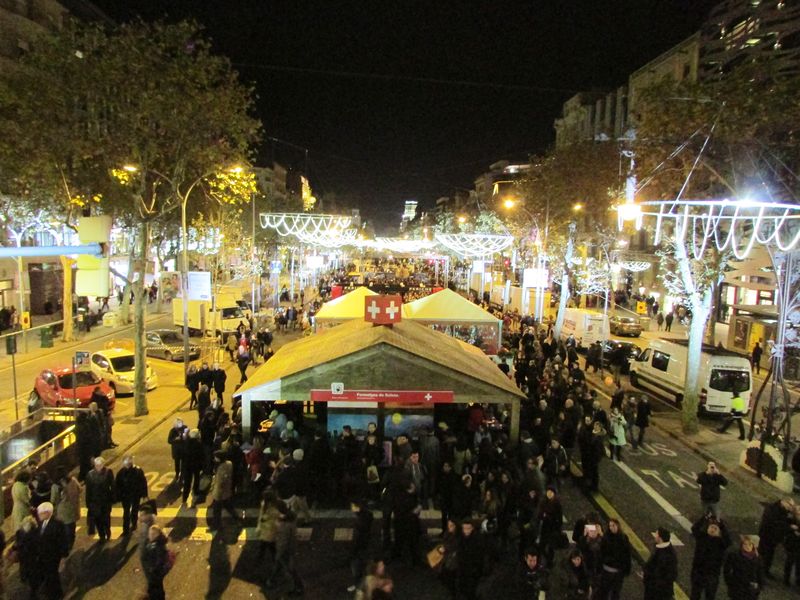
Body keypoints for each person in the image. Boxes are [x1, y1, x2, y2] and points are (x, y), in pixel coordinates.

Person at [690, 513, 731, 600]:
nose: (712, 529)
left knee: (710, 596)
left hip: (712, 575)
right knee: (695, 595)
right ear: (707, 528)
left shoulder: (721, 543)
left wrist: (722, 526)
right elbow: (694, 529)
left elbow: (728, 541)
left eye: (715, 528)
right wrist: (704, 518)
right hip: (698, 572)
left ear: (718, 531)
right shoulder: (702, 537)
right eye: (711, 527)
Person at [266, 504, 304, 596]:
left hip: (286, 551)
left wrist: (278, 553)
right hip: (292, 547)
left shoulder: (283, 525)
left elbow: (282, 542)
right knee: (283, 566)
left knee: (291, 569)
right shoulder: (291, 519)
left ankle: (299, 587)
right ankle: (271, 580)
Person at [35, 501, 69, 600]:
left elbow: (62, 540)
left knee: (53, 576)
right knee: (49, 576)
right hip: (44, 555)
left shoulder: (57, 524)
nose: (39, 515)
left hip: (53, 556)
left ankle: (56, 595)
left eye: (40, 513)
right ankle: (51, 592)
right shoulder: (41, 523)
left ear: (47, 513)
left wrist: (63, 555)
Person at [758, 497, 794, 578]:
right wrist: (789, 527)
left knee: (769, 555)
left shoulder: (781, 509)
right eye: (790, 505)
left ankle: (765, 571)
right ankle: (761, 573)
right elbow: (776, 524)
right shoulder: (773, 509)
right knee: (764, 554)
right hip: (767, 536)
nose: (791, 507)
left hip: (773, 538)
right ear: (784, 502)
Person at [597, 518, 632, 600]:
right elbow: (602, 553)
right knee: (604, 592)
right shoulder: (606, 537)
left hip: (617, 572)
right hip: (608, 570)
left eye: (613, 525)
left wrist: (626, 568)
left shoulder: (623, 538)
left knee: (615, 593)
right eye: (610, 526)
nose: (611, 527)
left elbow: (627, 554)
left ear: (618, 526)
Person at [116, 455, 149, 536]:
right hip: (126, 496)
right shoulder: (121, 473)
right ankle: (126, 529)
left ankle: (134, 524)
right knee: (126, 512)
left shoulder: (138, 471)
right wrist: (117, 496)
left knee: (134, 510)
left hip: (135, 495)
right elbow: (117, 485)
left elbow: (143, 483)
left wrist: (145, 495)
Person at [50, 466, 81, 551]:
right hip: (73, 508)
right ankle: (70, 544)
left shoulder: (56, 486)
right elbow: (80, 489)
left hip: (62, 511)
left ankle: (65, 546)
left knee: (64, 529)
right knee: (71, 528)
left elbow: (53, 500)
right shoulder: (73, 480)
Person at [643, 527, 678, 600]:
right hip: (654, 589)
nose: (655, 535)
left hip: (659, 592)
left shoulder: (668, 555)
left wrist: (651, 579)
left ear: (660, 538)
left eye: (656, 534)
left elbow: (671, 575)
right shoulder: (660, 548)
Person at [348, 498, 374, 593]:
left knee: (357, 568)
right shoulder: (368, 515)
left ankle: (358, 585)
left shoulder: (359, 521)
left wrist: (352, 551)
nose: (351, 508)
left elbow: (357, 538)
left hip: (360, 548)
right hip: (366, 546)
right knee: (365, 567)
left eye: (352, 506)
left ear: (357, 507)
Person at [85, 456, 114, 542]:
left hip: (105, 501)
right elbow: (88, 490)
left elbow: (112, 485)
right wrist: (88, 503)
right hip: (95, 502)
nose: (98, 467)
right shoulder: (90, 475)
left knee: (106, 518)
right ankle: (102, 535)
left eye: (100, 465)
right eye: (97, 465)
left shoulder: (108, 472)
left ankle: (107, 531)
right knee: (98, 520)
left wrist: (112, 498)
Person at [456, 520, 486, 600]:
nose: (466, 531)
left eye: (468, 528)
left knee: (471, 589)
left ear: (472, 528)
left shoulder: (477, 539)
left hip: (473, 569)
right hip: (463, 568)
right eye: (464, 528)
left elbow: (480, 556)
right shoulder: (461, 538)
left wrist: (476, 569)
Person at [142, 525, 170, 600]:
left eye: (153, 534)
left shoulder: (157, 546)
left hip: (155, 574)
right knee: (157, 590)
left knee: (155, 592)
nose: (150, 536)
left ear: (157, 535)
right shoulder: (157, 544)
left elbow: (159, 561)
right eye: (150, 534)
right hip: (156, 575)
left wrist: (152, 569)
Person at [182, 428, 204, 505]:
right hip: (196, 465)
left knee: (187, 482)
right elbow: (201, 456)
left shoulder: (186, 443)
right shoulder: (199, 444)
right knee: (196, 478)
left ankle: (184, 498)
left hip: (187, 465)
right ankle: (196, 491)